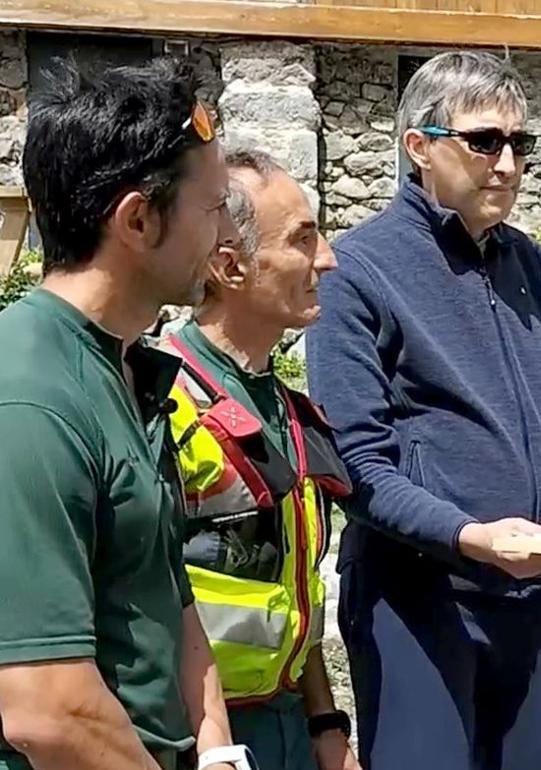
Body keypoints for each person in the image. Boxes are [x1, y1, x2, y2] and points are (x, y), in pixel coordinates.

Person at [305, 50, 541, 770]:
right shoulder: (357, 271)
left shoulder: (535, 266)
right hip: (419, 604)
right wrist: (472, 535)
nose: (507, 164)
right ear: (418, 147)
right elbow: (354, 465)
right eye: (485, 141)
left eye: (521, 145)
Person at [0, 57, 249, 770]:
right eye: (214, 207)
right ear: (138, 219)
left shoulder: (122, 368)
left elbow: (165, 590)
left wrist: (216, 750)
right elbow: (48, 710)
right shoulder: (31, 398)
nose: (228, 232)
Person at [161, 147, 360, 770]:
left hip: (285, 727)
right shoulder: (161, 403)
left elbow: (289, 587)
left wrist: (326, 724)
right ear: (230, 267)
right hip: (191, 738)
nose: (325, 258)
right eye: (302, 239)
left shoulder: (283, 404)